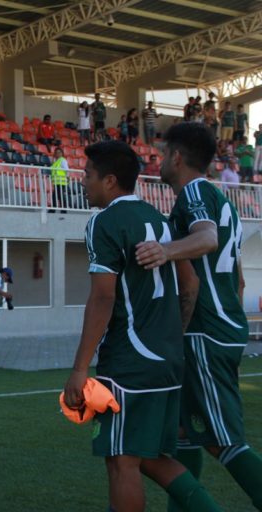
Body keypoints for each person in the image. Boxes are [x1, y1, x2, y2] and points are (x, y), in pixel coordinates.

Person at [62, 140, 220, 512]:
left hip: (130, 363)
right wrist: (172, 336)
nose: (83, 183)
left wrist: (80, 369)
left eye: (87, 176)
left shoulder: (104, 221)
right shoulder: (159, 219)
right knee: (150, 458)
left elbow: (103, 298)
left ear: (110, 181)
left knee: (122, 461)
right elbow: (190, 283)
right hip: (166, 359)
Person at [134, 122, 262, 512]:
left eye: (163, 151)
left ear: (177, 156)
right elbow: (238, 280)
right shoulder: (222, 201)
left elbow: (207, 238)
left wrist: (164, 250)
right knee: (183, 433)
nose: (157, 158)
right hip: (217, 328)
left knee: (223, 439)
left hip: (206, 332)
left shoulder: (194, 193)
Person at [49, 147, 69, 212]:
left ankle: (56, 209)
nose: (58, 154)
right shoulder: (55, 161)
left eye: (59, 152)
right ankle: (62, 209)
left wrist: (67, 177)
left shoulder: (62, 160)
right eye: (56, 153)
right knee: (58, 195)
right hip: (56, 181)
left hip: (61, 181)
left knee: (57, 195)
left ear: (62, 153)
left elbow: (66, 170)